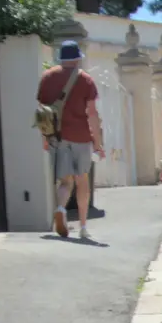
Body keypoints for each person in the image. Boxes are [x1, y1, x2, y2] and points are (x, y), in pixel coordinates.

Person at [36, 40, 103, 239]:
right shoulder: (86, 80)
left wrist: (45, 137)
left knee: (65, 182)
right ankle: (83, 227)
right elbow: (92, 114)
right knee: (82, 181)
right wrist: (97, 144)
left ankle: (60, 209)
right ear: (77, 58)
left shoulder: (47, 77)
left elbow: (42, 112)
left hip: (58, 136)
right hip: (81, 137)